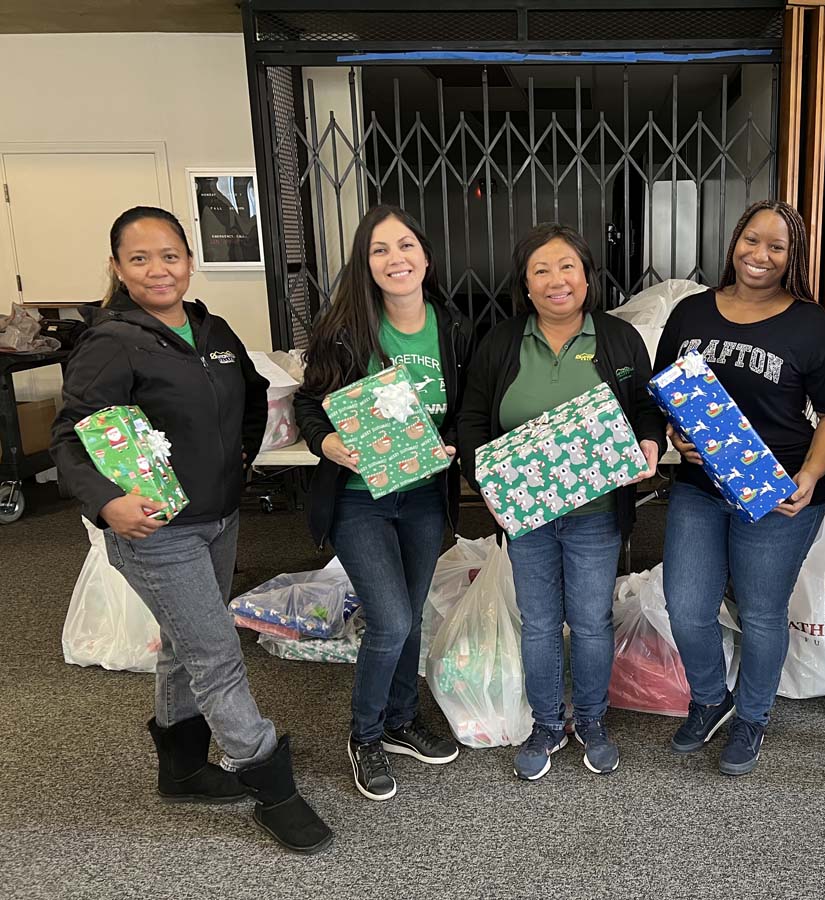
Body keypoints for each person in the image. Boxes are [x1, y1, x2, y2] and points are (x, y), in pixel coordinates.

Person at [50, 206, 331, 853]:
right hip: (154, 530)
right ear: (118, 267)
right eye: (140, 258)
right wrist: (105, 502)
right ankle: (270, 784)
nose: (158, 269)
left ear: (189, 259)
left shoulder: (212, 329)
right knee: (214, 652)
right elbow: (70, 439)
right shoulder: (112, 340)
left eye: (170, 254)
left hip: (217, 516)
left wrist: (241, 456)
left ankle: (180, 768)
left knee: (183, 645)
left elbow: (255, 396)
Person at [457, 223, 665, 781]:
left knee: (592, 622)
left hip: (595, 515)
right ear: (526, 286)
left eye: (567, 266)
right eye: (541, 271)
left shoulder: (618, 339)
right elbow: (473, 421)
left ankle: (592, 720)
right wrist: (489, 485)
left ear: (587, 275)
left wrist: (650, 440)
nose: (556, 280)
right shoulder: (502, 342)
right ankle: (547, 724)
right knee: (541, 622)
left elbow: (647, 408)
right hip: (525, 516)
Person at [657, 200, 825, 776]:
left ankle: (752, 717)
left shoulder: (813, 326)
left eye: (777, 246)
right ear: (734, 242)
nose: (760, 255)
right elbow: (669, 391)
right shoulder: (691, 314)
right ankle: (710, 700)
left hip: (778, 491)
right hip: (699, 485)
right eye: (752, 240)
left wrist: (812, 475)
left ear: (792, 257)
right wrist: (675, 432)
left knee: (761, 612)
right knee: (688, 606)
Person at [294, 205, 471, 802]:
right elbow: (309, 405)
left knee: (412, 614)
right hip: (359, 498)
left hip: (422, 496)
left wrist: (457, 446)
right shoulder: (344, 328)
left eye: (405, 246)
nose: (395, 259)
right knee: (391, 618)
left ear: (424, 256)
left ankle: (400, 719)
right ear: (365, 264)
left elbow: (468, 409)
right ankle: (364, 734)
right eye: (379, 250)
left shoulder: (451, 328)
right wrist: (331, 444)